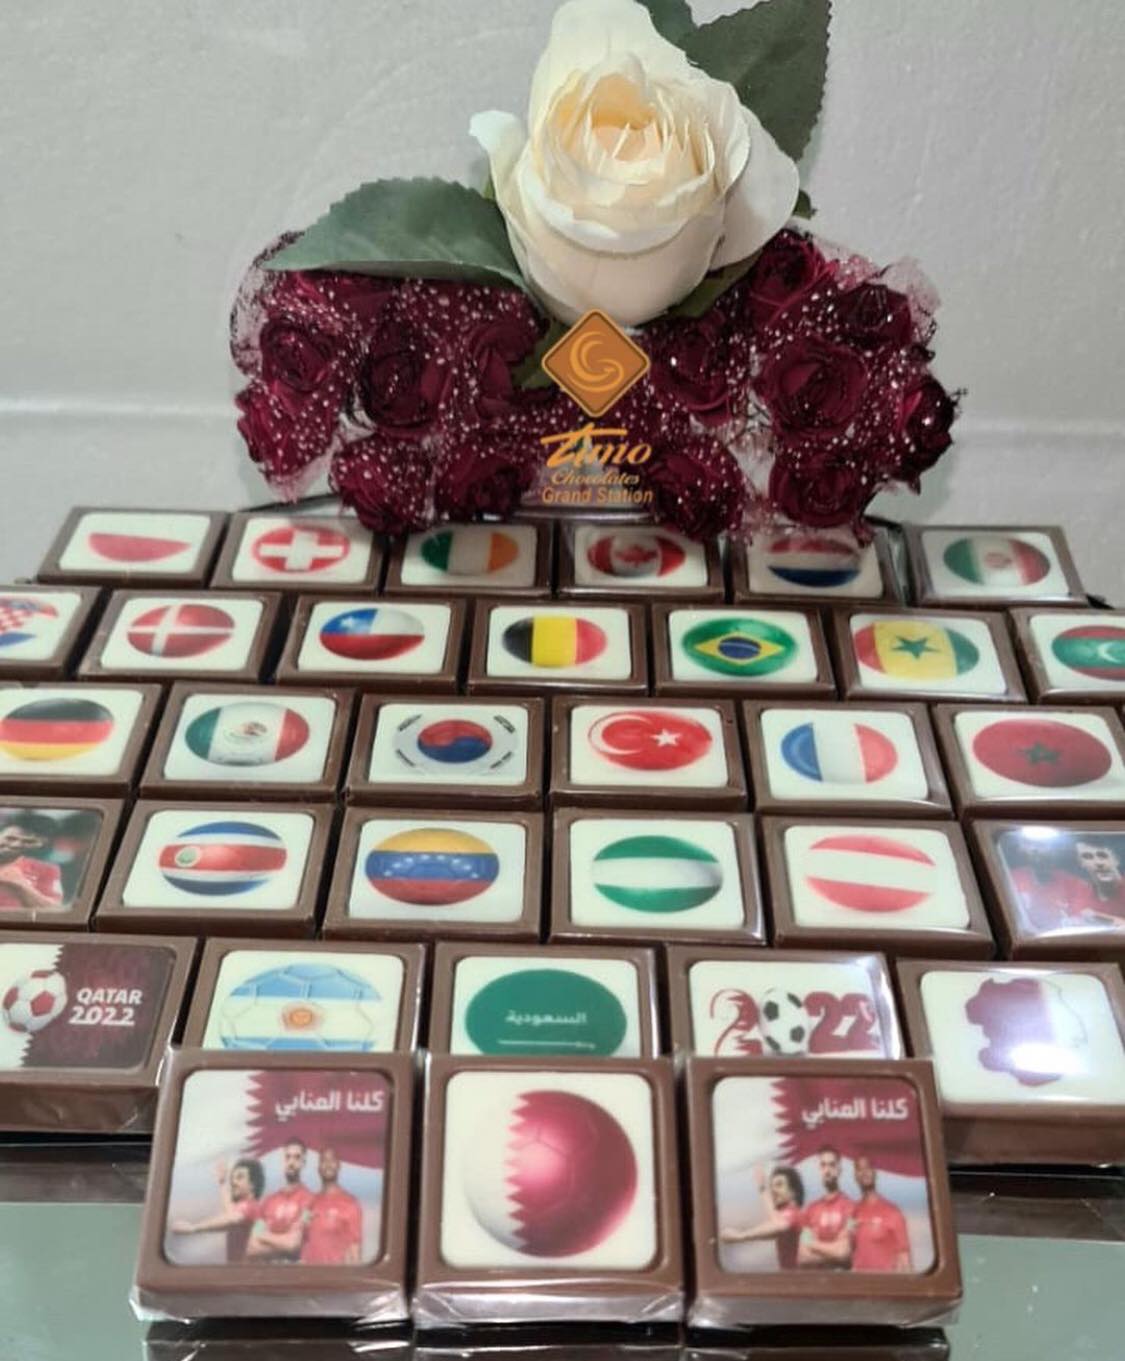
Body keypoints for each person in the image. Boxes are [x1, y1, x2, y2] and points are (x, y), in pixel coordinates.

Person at [168, 1158, 265, 1263]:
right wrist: (222, 1183)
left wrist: (193, 1228)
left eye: (239, 1177)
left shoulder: (251, 1207)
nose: (233, 1182)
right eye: (232, 1178)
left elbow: (232, 1220)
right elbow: (230, 1212)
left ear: (252, 1184)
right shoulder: (244, 1207)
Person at [720, 1164, 805, 1269]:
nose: (773, 1190)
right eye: (772, 1186)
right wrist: (762, 1187)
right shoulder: (787, 1213)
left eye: (779, 1185)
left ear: (793, 1192)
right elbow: (774, 1218)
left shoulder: (793, 1214)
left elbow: (779, 1225)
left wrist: (739, 1236)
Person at [246, 1138, 316, 1261]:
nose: (291, 1162)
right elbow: (250, 1248)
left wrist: (262, 1236)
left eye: (297, 1157)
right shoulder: (267, 1202)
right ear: (283, 1161)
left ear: (303, 1163)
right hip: (268, 1273)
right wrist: (285, 1245)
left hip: (295, 1272)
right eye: (287, 1157)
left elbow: (293, 1244)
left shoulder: (311, 1200)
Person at [1003, 833, 1088, 931]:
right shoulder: (1010, 878)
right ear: (1021, 848)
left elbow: (1080, 920)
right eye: (1029, 843)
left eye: (1041, 844)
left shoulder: (1074, 884)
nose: (1035, 849)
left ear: (1055, 849)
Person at [302, 1147, 363, 1266]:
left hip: (334, 1274)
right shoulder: (310, 1202)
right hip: (308, 1274)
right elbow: (303, 1242)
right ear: (318, 1168)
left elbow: (355, 1250)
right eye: (323, 1160)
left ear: (339, 1166)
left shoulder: (350, 1203)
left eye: (332, 1160)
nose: (328, 1164)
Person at [850, 1154, 912, 1272]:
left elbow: (905, 1258)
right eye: (859, 1169)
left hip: (884, 1281)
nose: (864, 1172)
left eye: (868, 1167)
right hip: (858, 1281)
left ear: (875, 1173)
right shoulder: (852, 1211)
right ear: (855, 1176)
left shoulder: (892, 1212)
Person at [797, 1146, 854, 1269]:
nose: (827, 1170)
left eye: (832, 1165)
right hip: (817, 1280)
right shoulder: (810, 1210)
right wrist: (834, 1252)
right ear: (819, 1169)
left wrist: (811, 1244)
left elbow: (843, 1252)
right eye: (823, 1165)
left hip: (843, 1279)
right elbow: (802, 1257)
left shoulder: (851, 1208)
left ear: (839, 1169)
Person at [0, 814, 63, 911]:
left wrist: (21, 885)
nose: (15, 845)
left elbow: (54, 911)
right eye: (10, 838)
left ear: (41, 844)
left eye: (28, 841)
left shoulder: (46, 870)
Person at [1074, 839, 1125, 924]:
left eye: (1103, 856)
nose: (1098, 863)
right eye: (1088, 857)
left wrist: (1097, 916)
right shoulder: (1082, 893)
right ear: (1081, 863)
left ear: (1116, 860)